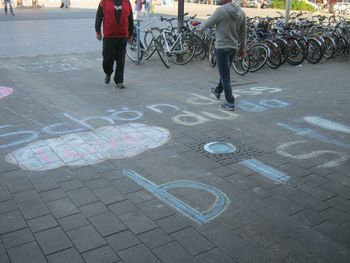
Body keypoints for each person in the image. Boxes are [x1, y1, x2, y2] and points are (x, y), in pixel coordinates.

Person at [200, 0, 246, 111]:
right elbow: (243, 32)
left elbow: (207, 23)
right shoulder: (241, 12)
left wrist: (199, 27)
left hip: (221, 47)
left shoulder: (220, 10)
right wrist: (242, 48)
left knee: (225, 76)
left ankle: (230, 102)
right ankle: (217, 91)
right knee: (225, 72)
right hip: (233, 48)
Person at [95, 0, 134, 89]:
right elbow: (99, 16)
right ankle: (108, 72)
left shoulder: (127, 2)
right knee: (107, 59)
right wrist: (98, 31)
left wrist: (131, 34)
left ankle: (119, 80)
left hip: (122, 36)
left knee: (121, 60)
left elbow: (130, 18)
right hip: (109, 36)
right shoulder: (104, 2)